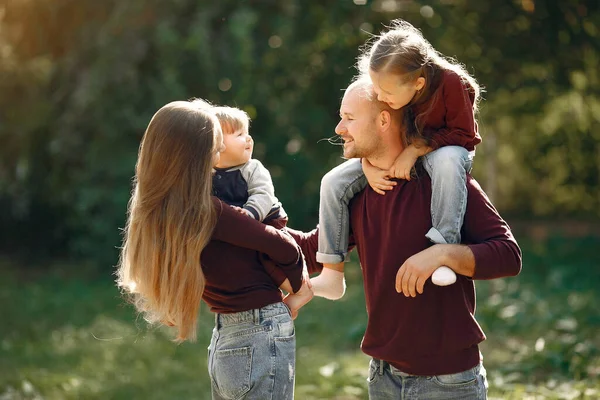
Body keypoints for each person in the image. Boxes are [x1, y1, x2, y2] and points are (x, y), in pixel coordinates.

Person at [288, 77, 522, 399]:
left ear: (384, 120)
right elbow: (315, 248)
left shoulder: (446, 185)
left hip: (447, 381)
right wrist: (244, 225)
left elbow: (508, 255)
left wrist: (441, 255)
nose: (340, 128)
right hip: (382, 376)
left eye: (349, 118)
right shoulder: (358, 193)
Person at [115, 100, 307, 399]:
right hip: (258, 333)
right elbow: (283, 246)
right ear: (196, 156)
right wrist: (299, 285)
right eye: (216, 149)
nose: (220, 157)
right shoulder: (209, 211)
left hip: (226, 340)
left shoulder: (163, 215)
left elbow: (274, 244)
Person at [313, 20, 482, 299]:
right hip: (403, 152)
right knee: (332, 182)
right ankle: (331, 273)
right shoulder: (393, 86)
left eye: (385, 93)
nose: (379, 96)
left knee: (448, 160)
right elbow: (380, 137)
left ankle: (442, 247)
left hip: (446, 149)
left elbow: (465, 135)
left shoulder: (452, 84)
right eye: (377, 88)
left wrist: (414, 151)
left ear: (418, 84)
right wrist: (367, 165)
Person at [209, 104, 313, 316]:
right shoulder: (208, 175)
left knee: (267, 256)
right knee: (250, 258)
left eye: (247, 134)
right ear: (216, 145)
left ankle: (300, 289)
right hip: (243, 227)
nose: (248, 139)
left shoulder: (252, 168)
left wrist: (250, 213)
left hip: (267, 219)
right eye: (239, 134)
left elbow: (263, 194)